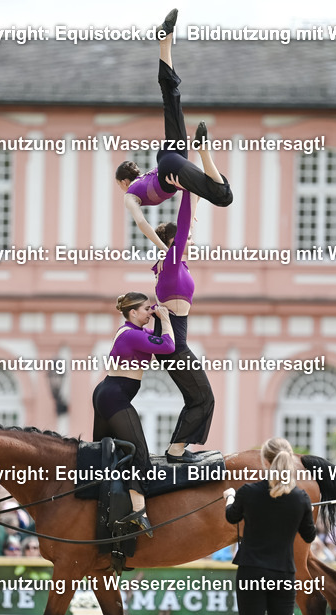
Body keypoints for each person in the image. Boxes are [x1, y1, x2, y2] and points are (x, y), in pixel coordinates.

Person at [117, 9, 232, 250]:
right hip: (171, 156)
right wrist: (194, 205)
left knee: (224, 197)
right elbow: (191, 189)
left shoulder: (130, 196)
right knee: (171, 98)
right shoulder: (143, 178)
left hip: (170, 166)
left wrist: (163, 248)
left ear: (123, 182)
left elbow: (141, 223)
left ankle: (203, 151)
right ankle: (165, 41)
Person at [224, 437, 317, 615]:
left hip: (251, 572)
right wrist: (306, 510)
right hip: (283, 573)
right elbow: (309, 534)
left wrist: (230, 498)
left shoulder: (248, 491)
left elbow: (232, 517)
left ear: (265, 461)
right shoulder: (300, 497)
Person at [92, 292, 176, 536]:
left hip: (107, 393)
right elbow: (168, 346)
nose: (150, 312)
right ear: (133, 313)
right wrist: (166, 320)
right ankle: (138, 511)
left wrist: (162, 315)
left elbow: (158, 339)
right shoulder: (131, 335)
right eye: (146, 309)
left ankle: (95, 503)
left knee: (103, 452)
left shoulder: (128, 332)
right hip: (114, 396)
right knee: (137, 450)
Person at [151, 190, 215, 462]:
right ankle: (176, 450)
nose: (190, 238)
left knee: (198, 397)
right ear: (171, 241)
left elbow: (191, 218)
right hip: (174, 344)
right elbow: (185, 219)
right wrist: (188, 188)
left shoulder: (178, 265)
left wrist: (197, 195)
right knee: (204, 398)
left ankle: (177, 448)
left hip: (175, 341)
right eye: (186, 237)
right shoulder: (172, 261)